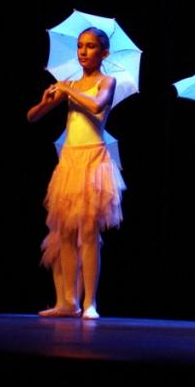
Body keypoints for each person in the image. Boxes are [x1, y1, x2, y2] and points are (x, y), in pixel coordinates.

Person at [27, 27, 123, 319]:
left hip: (94, 160)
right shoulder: (69, 84)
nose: (83, 51)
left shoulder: (107, 81)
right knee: (66, 232)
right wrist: (45, 103)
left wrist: (69, 90)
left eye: (91, 46)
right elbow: (31, 117)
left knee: (89, 233)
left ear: (103, 53)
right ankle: (68, 300)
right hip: (69, 161)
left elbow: (97, 105)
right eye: (80, 46)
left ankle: (89, 301)